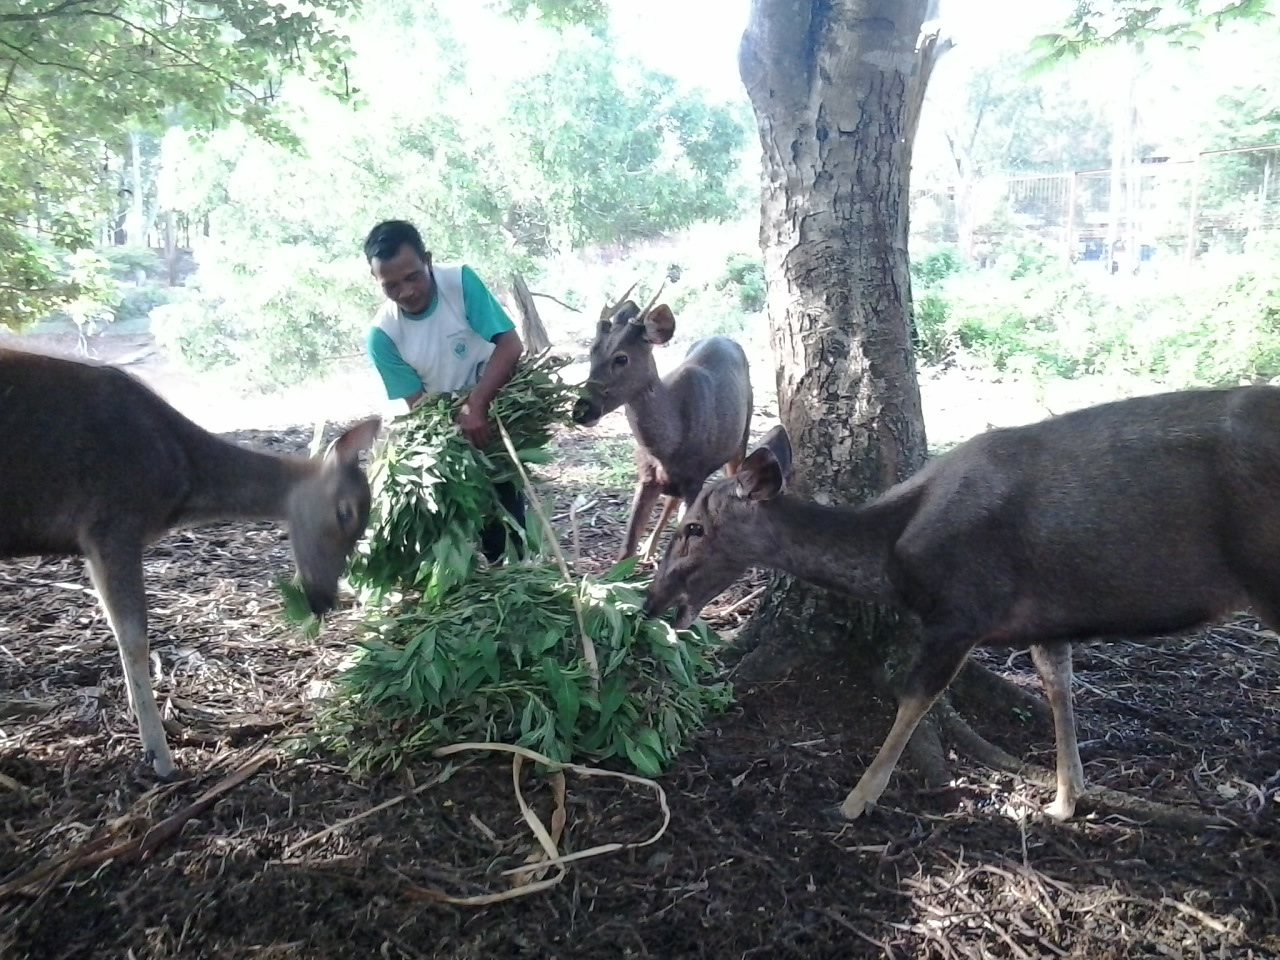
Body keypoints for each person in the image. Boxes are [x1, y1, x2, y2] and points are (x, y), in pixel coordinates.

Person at [363, 219, 526, 563]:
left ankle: (514, 564)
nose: (406, 292)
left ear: (428, 260)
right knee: (459, 521)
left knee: (507, 511)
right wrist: (457, 427)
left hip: (496, 403)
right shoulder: (383, 336)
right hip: (445, 426)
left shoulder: (459, 282)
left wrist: (478, 403)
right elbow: (420, 406)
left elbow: (510, 344)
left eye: (413, 277)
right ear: (376, 280)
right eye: (391, 286)